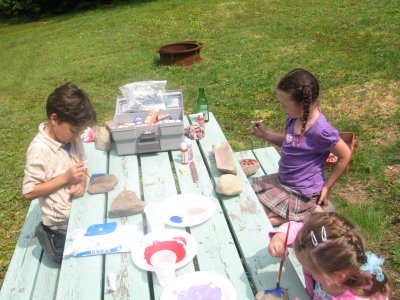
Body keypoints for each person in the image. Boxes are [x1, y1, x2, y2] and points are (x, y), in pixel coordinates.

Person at [250, 68, 352, 226]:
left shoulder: (321, 131)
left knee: (260, 219)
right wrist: (266, 134)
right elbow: (291, 142)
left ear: (304, 104)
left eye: (284, 105)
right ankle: (298, 216)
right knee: (250, 201)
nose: (282, 108)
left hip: (302, 193)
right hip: (284, 182)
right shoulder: (294, 117)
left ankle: (306, 215)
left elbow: (345, 155)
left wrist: (326, 187)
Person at [22, 82, 96, 264]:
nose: (77, 135)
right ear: (54, 120)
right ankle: (46, 234)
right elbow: (29, 191)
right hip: (59, 225)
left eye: (79, 131)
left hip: (78, 211)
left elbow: (82, 166)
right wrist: (65, 178)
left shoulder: (73, 138)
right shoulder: (39, 150)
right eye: (73, 130)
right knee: (70, 261)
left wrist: (81, 183)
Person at [268, 212, 391, 299]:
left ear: (337, 276)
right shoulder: (327, 253)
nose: (307, 271)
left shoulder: (353, 297)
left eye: (310, 270)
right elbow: (298, 229)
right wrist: (279, 238)